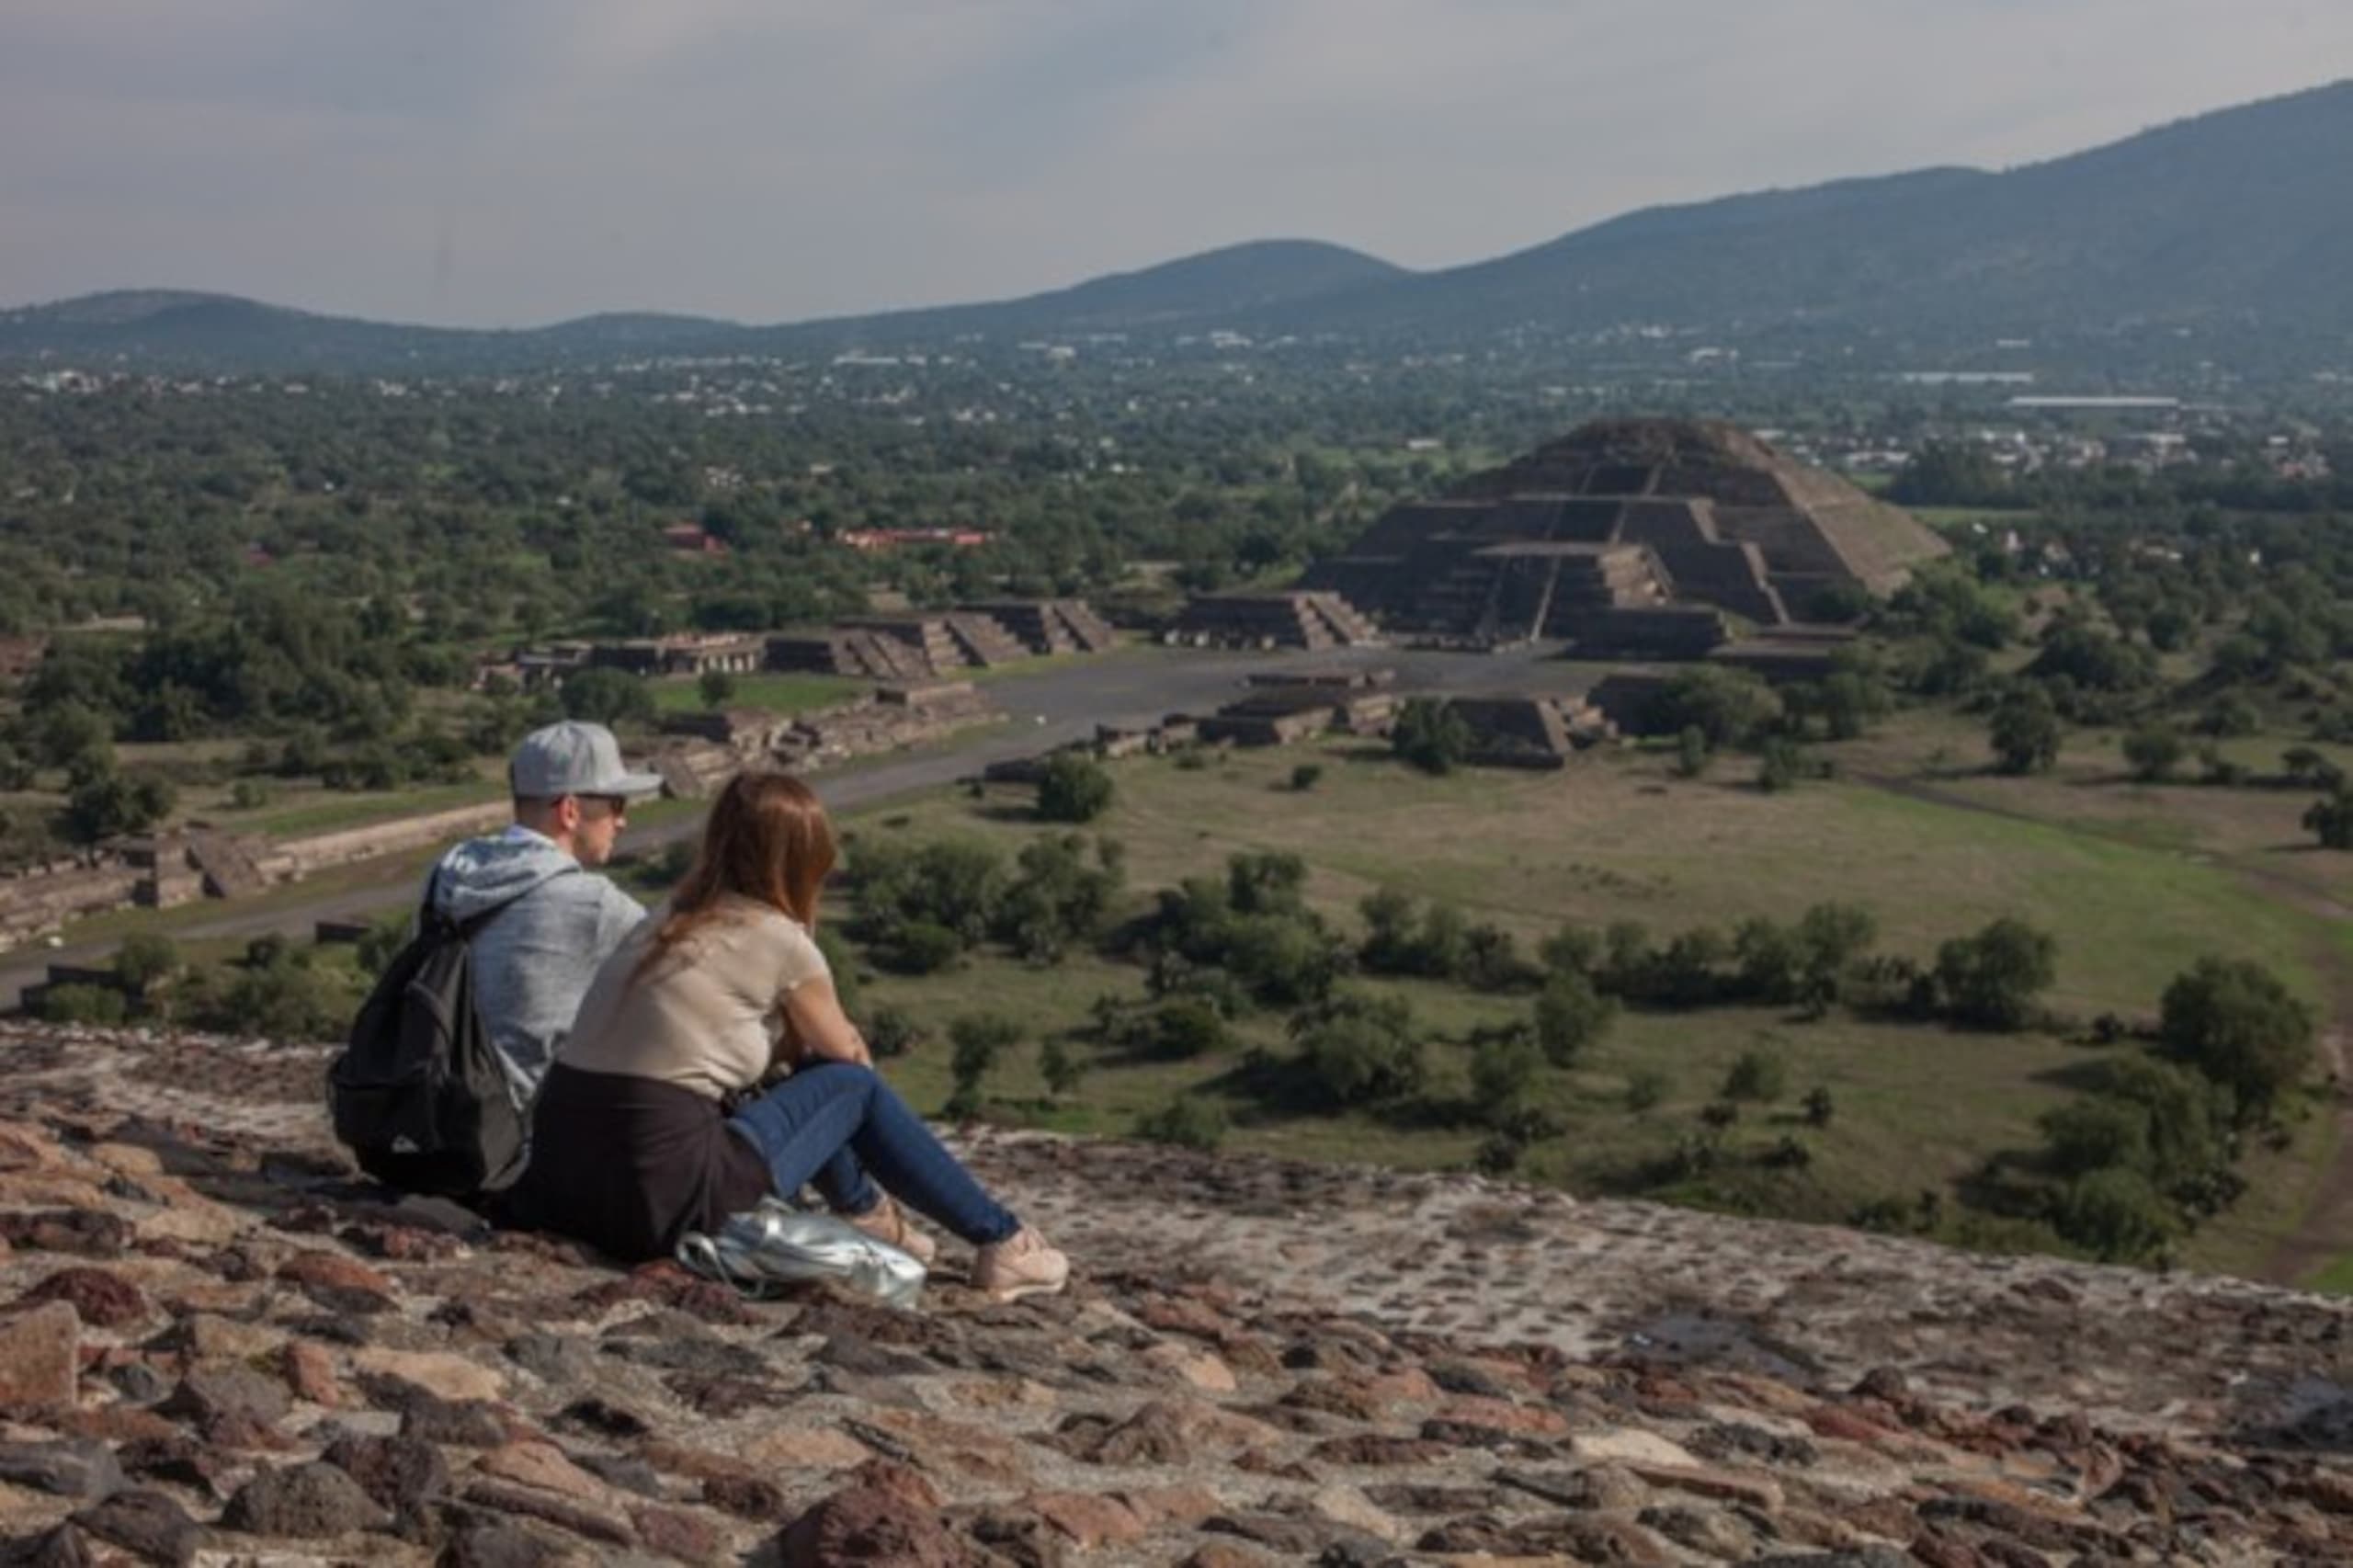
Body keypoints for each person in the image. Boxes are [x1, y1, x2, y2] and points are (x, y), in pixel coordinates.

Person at [507, 770, 1069, 1301]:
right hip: (665, 1192)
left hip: (566, 1181)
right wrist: (806, 945)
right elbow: (848, 1065)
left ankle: (871, 1215)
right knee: (849, 1086)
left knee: (794, 1081)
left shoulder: (663, 918)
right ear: (805, 862)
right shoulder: (776, 938)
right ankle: (1002, 1239)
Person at [425, 721, 663, 1112]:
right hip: (517, 1136)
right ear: (570, 811)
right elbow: (686, 980)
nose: (622, 821)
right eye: (616, 805)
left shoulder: (446, 873)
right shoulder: (595, 904)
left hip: (431, 1112)